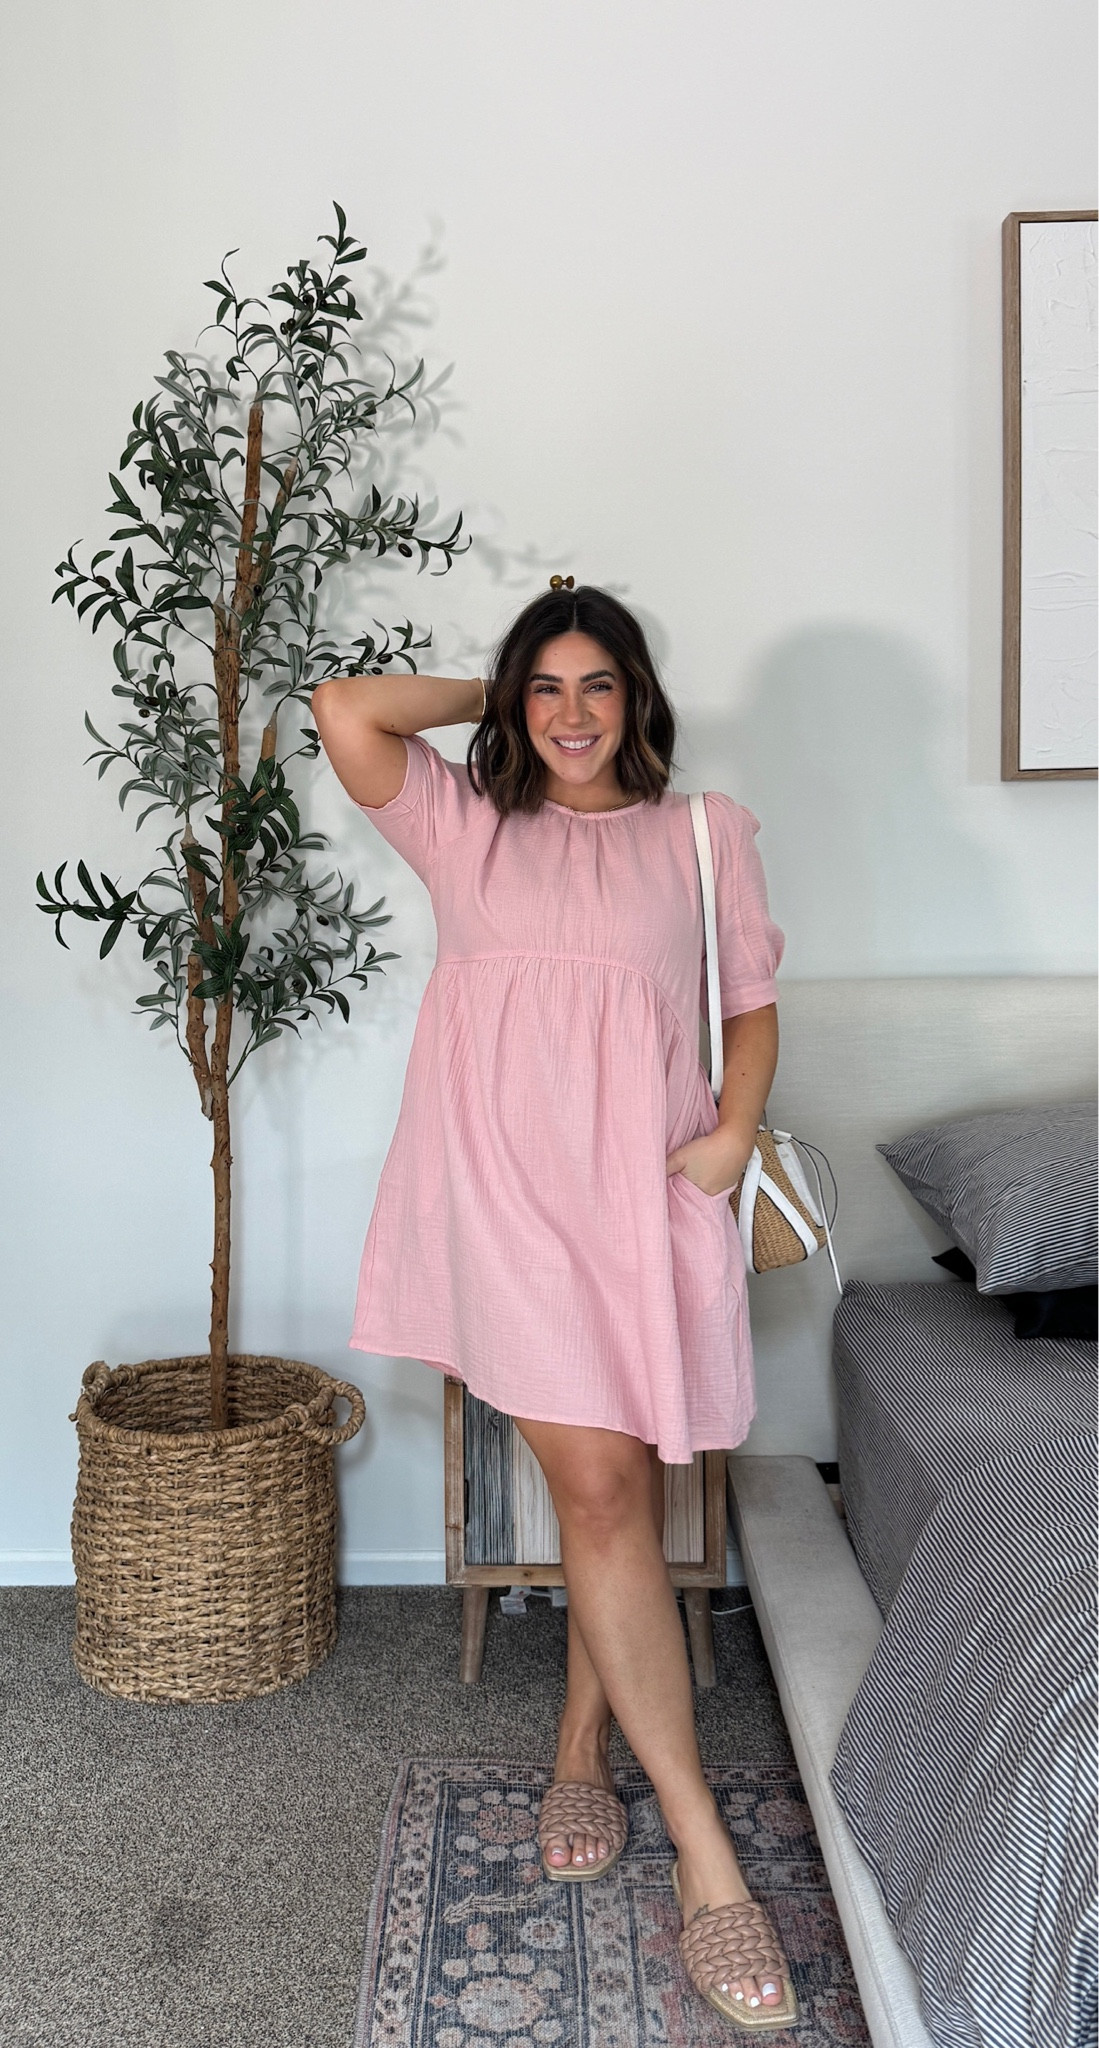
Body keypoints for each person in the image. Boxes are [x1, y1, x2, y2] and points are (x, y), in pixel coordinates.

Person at [312, 583, 797, 2031]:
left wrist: (733, 1137)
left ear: (638, 697)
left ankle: (581, 1744)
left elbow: (750, 1000)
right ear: (517, 700)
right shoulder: (465, 822)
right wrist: (499, 686)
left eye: (598, 686)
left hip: (645, 1192)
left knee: (617, 1493)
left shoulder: (702, 833)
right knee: (597, 1487)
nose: (573, 715)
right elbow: (347, 709)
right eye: (548, 688)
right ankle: (708, 1856)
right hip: (508, 1207)